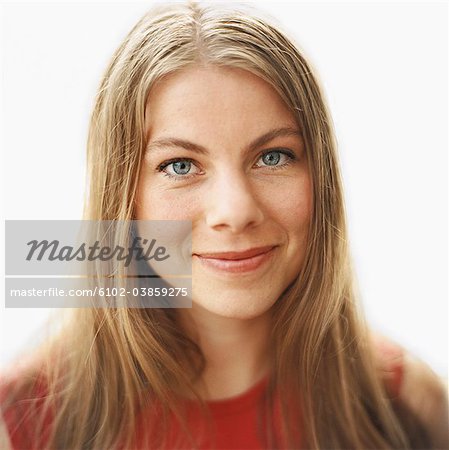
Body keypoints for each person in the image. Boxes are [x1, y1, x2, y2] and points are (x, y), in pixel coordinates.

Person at [1, 2, 448, 449]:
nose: (234, 211)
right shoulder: (20, 419)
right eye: (180, 165)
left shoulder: (406, 403)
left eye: (272, 157)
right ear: (123, 199)